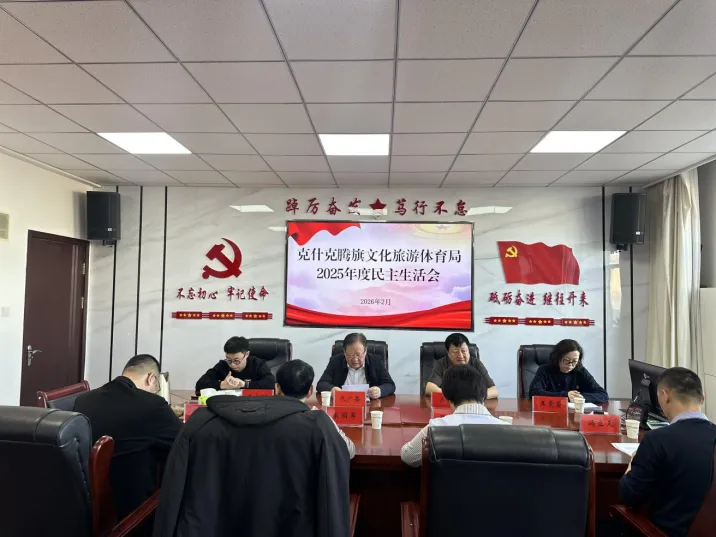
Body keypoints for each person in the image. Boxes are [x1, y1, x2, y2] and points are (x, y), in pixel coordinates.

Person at [153, 360, 352, 537]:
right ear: (310, 391)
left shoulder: (202, 421)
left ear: (276, 388)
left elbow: (174, 490)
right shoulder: (317, 427)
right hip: (292, 526)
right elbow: (346, 451)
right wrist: (326, 422)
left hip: (212, 526)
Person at [73, 354, 181, 519]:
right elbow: (182, 442)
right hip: (133, 513)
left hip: (85, 507)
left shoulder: (83, 400)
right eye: (157, 387)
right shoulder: (152, 405)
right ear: (151, 378)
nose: (155, 392)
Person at [619, 367, 716, 537]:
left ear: (665, 396)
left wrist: (630, 467)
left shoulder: (657, 440)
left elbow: (628, 496)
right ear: (702, 398)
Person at [401, 365, 505, 467]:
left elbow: (408, 456)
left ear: (447, 398)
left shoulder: (437, 428)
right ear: (483, 395)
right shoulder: (506, 429)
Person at [317, 333, 395, 399]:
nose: (355, 359)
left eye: (358, 354)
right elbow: (321, 384)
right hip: (342, 404)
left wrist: (379, 390)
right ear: (344, 352)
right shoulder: (335, 361)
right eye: (351, 355)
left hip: (369, 406)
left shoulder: (376, 361)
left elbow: (390, 385)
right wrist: (332, 389)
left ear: (365, 351)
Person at [528, 339, 608, 403]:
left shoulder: (580, 371)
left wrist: (580, 397)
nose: (570, 365)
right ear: (557, 357)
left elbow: (603, 394)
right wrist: (565, 396)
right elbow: (534, 393)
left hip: (574, 414)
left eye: (574, 361)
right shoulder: (544, 370)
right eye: (566, 360)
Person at [425, 333, 498, 399]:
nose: (460, 355)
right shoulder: (442, 363)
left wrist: (473, 397)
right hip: (450, 405)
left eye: (464, 351)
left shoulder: (476, 364)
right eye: (455, 352)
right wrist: (454, 397)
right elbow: (429, 388)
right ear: (448, 353)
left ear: (468, 350)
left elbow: (494, 390)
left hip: (472, 404)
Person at [195, 336, 275, 393]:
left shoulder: (257, 364)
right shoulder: (223, 365)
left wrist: (245, 384)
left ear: (246, 354)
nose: (232, 365)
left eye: (236, 361)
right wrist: (222, 384)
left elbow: (271, 384)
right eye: (229, 360)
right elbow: (200, 384)